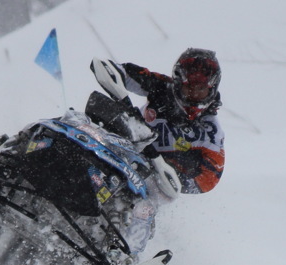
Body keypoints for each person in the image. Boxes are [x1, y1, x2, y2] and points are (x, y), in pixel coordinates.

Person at [90, 48, 225, 196]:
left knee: (145, 207)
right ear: (178, 83)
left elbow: (209, 179)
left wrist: (174, 181)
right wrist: (113, 73)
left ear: (212, 89)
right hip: (124, 146)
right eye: (189, 88)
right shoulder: (161, 87)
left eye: (201, 89)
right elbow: (122, 72)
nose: (195, 95)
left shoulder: (211, 131)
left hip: (152, 180)